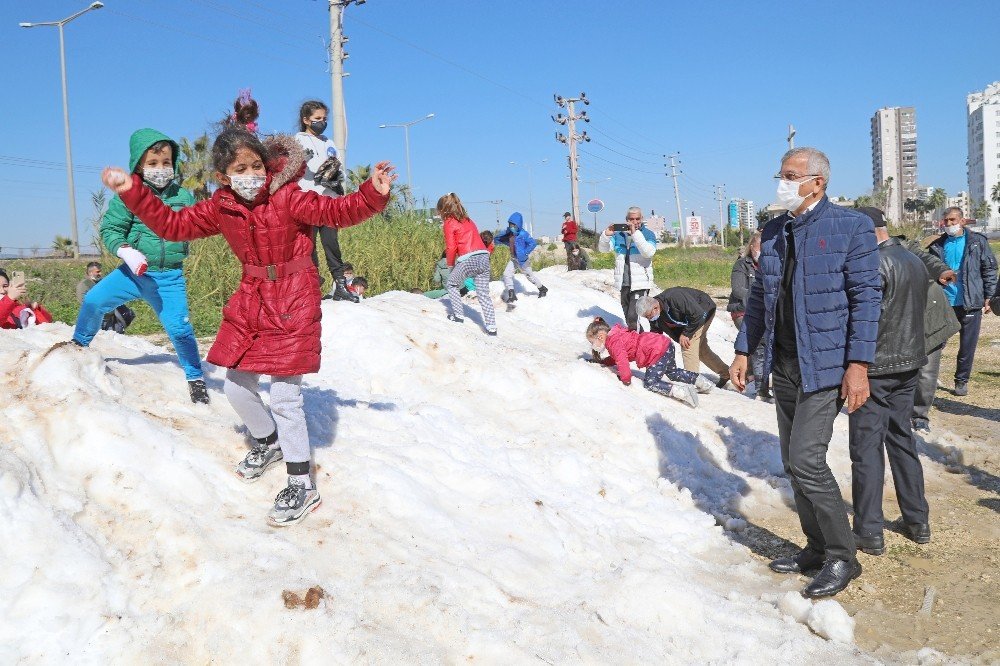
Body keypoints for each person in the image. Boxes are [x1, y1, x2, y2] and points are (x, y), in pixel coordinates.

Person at [100, 127, 394, 526]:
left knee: (286, 397)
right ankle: (270, 441)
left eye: (257, 165)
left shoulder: (289, 195)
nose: (252, 174)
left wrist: (372, 193)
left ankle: (302, 484)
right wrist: (132, 191)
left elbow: (336, 212)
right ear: (224, 176)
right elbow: (171, 225)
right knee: (237, 385)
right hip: (253, 296)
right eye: (241, 168)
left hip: (294, 295)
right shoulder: (221, 206)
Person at [730, 147, 881, 599]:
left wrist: (858, 365)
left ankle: (843, 557)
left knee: (808, 462)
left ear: (817, 182)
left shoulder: (850, 227)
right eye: (780, 174)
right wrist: (743, 351)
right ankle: (815, 549)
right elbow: (759, 301)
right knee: (793, 466)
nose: (782, 181)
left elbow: (867, 299)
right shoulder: (775, 231)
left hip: (827, 367)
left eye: (791, 175)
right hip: (785, 364)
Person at [72, 129, 208, 404]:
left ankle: (195, 377)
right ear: (139, 166)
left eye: (166, 163)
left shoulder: (183, 197)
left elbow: (196, 225)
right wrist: (126, 251)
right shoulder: (127, 195)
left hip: (168, 277)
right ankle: (78, 346)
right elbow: (111, 229)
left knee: (180, 329)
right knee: (94, 300)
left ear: (174, 164)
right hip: (132, 273)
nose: (161, 169)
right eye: (153, 163)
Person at [849, 207, 931, 555]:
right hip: (909, 363)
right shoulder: (912, 259)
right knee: (902, 440)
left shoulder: (873, 264)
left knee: (866, 449)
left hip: (877, 368)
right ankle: (918, 521)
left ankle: (869, 531)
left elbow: (864, 318)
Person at [926, 207, 998, 396]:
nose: (948, 224)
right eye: (945, 221)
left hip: (970, 301)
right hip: (944, 303)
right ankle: (929, 377)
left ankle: (961, 381)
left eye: (952, 220)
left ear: (962, 221)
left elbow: (989, 270)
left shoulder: (977, 242)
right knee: (936, 342)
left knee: (967, 345)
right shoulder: (937, 246)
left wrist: (990, 296)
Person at [294, 99, 356, 303]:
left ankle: (340, 285)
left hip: (329, 201)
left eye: (324, 118)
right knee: (309, 246)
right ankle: (311, 288)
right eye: (317, 118)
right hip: (309, 201)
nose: (321, 122)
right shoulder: (299, 140)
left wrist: (337, 177)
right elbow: (304, 165)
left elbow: (336, 164)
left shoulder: (329, 142)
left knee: (332, 244)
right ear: (306, 120)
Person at [585, 317, 711, 408]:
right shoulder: (616, 334)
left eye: (592, 342)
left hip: (654, 351)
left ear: (600, 336)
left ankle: (683, 393)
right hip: (663, 344)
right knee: (672, 372)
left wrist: (626, 379)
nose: (593, 346)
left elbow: (622, 360)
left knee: (651, 383)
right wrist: (604, 362)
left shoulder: (613, 342)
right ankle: (703, 383)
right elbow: (616, 358)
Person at [641, 288, 730, 387]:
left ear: (655, 308)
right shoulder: (653, 314)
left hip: (704, 311)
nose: (649, 319)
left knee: (688, 346)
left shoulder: (675, 297)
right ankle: (726, 373)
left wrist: (686, 334)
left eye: (649, 316)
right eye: (646, 317)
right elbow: (656, 334)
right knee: (701, 351)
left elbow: (698, 315)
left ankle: (693, 384)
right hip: (691, 321)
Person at [439, 193, 497, 335]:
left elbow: (451, 247)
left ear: (443, 210)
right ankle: (491, 327)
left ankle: (458, 316)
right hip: (484, 257)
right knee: (483, 293)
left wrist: (451, 265)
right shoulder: (469, 220)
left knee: (452, 284)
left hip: (468, 258)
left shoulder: (449, 222)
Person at [597, 207, 656, 330]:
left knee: (633, 317)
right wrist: (606, 235)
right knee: (628, 318)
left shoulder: (648, 234)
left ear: (642, 219)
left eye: (637, 219)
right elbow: (603, 249)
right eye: (631, 219)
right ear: (626, 220)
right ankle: (641, 340)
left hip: (641, 284)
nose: (635, 221)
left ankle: (639, 344)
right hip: (624, 283)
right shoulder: (619, 235)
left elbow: (648, 252)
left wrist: (635, 234)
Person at [727, 232, 768, 399]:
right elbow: (738, 290)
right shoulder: (741, 265)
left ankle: (748, 377)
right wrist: (761, 297)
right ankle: (761, 389)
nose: (761, 253)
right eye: (759, 249)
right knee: (759, 344)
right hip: (743, 311)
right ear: (752, 247)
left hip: (764, 311)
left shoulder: (769, 264)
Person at [495, 212, 546, 306]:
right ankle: (511, 293)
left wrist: (525, 252)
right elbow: (497, 239)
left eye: (513, 225)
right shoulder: (509, 234)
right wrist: (505, 233)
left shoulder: (523, 234)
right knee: (506, 274)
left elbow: (533, 243)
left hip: (523, 260)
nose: (511, 227)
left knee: (530, 277)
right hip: (514, 259)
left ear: (518, 225)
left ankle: (542, 288)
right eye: (510, 225)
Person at [76, 261, 136, 334]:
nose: (100, 274)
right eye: (98, 272)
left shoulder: (101, 282)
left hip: (110, 318)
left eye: (100, 271)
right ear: (90, 272)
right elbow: (84, 302)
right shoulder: (83, 285)